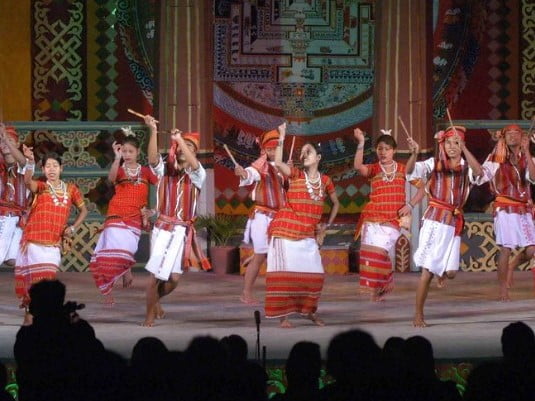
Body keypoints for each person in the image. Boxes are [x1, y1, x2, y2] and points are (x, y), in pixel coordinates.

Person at [265, 123, 339, 328]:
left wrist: (326, 226)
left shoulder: (325, 181)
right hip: (285, 230)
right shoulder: (296, 174)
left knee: (315, 276)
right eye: (303, 151)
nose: (304, 154)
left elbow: (336, 204)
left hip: (307, 234)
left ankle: (308, 311)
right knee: (283, 276)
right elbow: (278, 161)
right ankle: (283, 316)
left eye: (309, 151)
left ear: (319, 157)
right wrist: (281, 136)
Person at [408, 125, 483, 327]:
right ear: (443, 143)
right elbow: (409, 171)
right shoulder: (434, 163)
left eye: (456, 143)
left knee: (451, 273)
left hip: (454, 221)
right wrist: (414, 154)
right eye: (449, 142)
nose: (452, 147)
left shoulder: (467, 167)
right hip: (435, 221)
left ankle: (442, 272)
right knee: (427, 272)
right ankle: (418, 314)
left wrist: (465, 150)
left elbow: (480, 173)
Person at [142, 115, 210, 327]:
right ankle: (149, 315)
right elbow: (152, 159)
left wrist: (181, 140)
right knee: (156, 276)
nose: (182, 148)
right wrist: (153, 131)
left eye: (189, 146)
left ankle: (154, 302)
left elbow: (195, 164)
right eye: (180, 145)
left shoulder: (198, 174)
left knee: (174, 280)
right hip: (163, 228)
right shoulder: (165, 170)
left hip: (182, 232)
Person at [89, 128, 158, 305]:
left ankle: (126, 269)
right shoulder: (120, 169)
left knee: (128, 250)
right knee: (113, 252)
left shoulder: (145, 171)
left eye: (130, 151)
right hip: (117, 212)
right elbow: (111, 179)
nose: (127, 154)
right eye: (124, 151)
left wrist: (155, 210)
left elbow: (162, 186)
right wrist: (117, 158)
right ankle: (108, 288)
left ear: (138, 152)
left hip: (135, 216)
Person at [15, 150, 88, 315]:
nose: (52, 169)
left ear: (61, 168)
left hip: (54, 243)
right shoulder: (41, 187)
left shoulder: (71, 189)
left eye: (55, 166)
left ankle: (39, 312)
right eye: (48, 166)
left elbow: (83, 211)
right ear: (43, 169)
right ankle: (33, 313)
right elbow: (27, 182)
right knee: (39, 282)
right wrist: (30, 162)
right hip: (34, 242)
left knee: (49, 277)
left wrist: (73, 227)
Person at [353, 127, 422, 301]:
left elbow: (423, 189)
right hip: (373, 219)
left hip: (393, 219)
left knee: (380, 253)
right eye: (380, 149)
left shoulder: (402, 169)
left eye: (387, 149)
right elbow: (357, 167)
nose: (383, 152)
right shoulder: (374, 169)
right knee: (370, 255)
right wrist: (361, 143)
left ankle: (384, 282)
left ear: (394, 151)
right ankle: (378, 290)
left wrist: (410, 205)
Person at [474, 124, 535, 301]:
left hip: (524, 209)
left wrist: (528, 152)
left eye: (516, 133)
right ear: (504, 137)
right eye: (509, 133)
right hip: (505, 208)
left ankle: (513, 264)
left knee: (532, 250)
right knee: (506, 248)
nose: (513, 136)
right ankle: (503, 290)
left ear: (522, 137)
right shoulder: (495, 159)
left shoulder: (527, 157)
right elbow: (481, 177)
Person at [234, 127, 287, 304]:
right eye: (269, 149)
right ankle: (246, 293)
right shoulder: (261, 164)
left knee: (279, 256)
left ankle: (260, 254)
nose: (272, 152)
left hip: (280, 217)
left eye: (275, 148)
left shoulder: (285, 166)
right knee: (260, 256)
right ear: (264, 150)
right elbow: (251, 174)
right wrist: (243, 173)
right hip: (262, 216)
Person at [0, 124, 30, 267]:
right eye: (2, 142)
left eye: (10, 141)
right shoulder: (1, 165)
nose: (5, 144)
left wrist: (5, 138)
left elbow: (22, 162)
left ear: (18, 144)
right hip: (4, 215)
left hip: (19, 218)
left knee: (12, 260)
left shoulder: (25, 164)